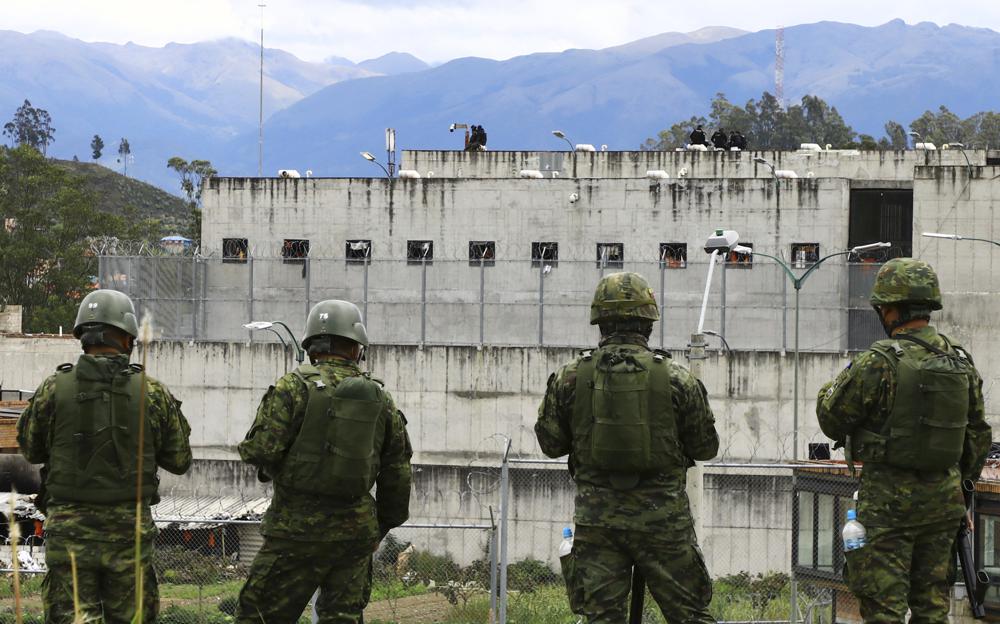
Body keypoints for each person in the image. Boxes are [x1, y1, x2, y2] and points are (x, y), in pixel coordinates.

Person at [535, 272, 719, 624]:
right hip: (663, 522)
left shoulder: (571, 377)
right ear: (648, 322)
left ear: (600, 322)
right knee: (690, 616)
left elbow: (550, 443)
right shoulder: (678, 378)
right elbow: (706, 447)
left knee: (602, 618)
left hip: (597, 522)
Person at [816, 258, 992, 624]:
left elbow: (832, 419)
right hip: (944, 506)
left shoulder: (878, 362)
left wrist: (827, 390)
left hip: (887, 509)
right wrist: (960, 488)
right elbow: (978, 434)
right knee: (932, 610)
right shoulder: (959, 360)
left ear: (892, 309)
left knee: (885, 611)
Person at [17, 289, 192, 624]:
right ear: (127, 340)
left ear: (83, 336)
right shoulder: (150, 392)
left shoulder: (54, 388)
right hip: (129, 538)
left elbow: (31, 448)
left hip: (68, 536)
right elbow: (179, 459)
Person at [236, 300, 412, 623]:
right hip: (353, 538)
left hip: (294, 533)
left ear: (311, 345)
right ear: (358, 348)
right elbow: (398, 475)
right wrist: (379, 529)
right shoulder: (380, 399)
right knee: (341, 618)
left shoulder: (293, 387)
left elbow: (259, 450)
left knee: (258, 617)